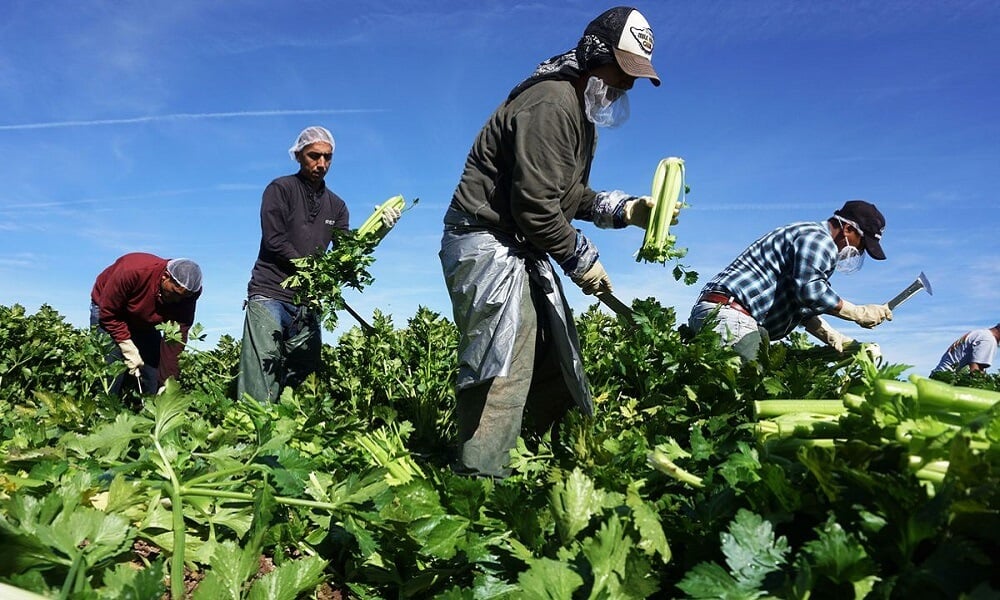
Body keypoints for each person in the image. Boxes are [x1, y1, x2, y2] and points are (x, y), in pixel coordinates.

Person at [439, 6, 661, 478]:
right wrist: (583, 260)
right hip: (487, 240)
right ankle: (480, 480)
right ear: (595, 53)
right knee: (504, 359)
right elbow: (537, 208)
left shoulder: (579, 113)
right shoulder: (552, 102)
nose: (627, 85)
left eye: (635, 76)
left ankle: (533, 462)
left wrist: (623, 211)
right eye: (622, 71)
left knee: (554, 352)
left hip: (519, 241)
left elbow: (567, 195)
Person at [237, 126, 399, 403]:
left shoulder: (337, 206)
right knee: (261, 376)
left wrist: (380, 230)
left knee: (302, 380)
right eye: (314, 156)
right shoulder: (280, 189)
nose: (321, 164)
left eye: (327, 157)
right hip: (270, 293)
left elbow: (348, 253)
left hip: (309, 299)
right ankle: (254, 438)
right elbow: (274, 240)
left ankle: (294, 439)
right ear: (299, 155)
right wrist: (311, 268)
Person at [688, 200, 893, 361]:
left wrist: (833, 336)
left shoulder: (807, 236)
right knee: (748, 390)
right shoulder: (819, 240)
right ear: (848, 229)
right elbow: (811, 292)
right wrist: (858, 313)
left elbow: (800, 304)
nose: (858, 251)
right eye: (862, 243)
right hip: (733, 317)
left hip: (721, 313)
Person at [90, 252, 202, 396]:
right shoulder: (133, 270)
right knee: (111, 369)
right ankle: (106, 408)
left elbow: (175, 339)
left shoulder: (188, 295)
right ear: (165, 276)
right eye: (174, 293)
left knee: (153, 372)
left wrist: (167, 382)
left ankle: (148, 409)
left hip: (145, 319)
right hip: (109, 310)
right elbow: (109, 313)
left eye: (183, 297)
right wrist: (127, 346)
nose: (177, 300)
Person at [931, 323, 1000, 374]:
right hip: (946, 383)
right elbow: (975, 371)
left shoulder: (981, 333)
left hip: (939, 377)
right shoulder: (988, 340)